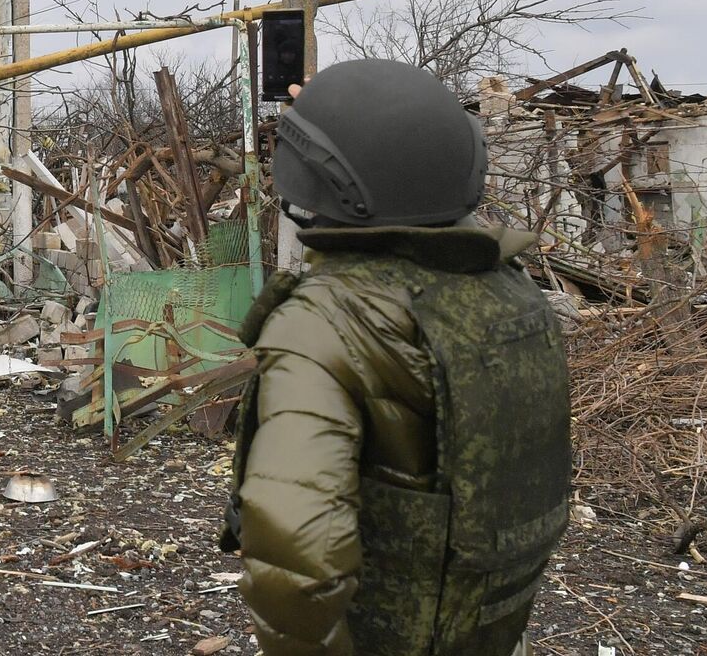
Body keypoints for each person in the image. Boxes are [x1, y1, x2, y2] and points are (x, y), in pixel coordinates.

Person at [219, 59, 570, 655]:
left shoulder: (325, 321)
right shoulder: (506, 288)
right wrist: (345, 117)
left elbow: (294, 564)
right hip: (489, 627)